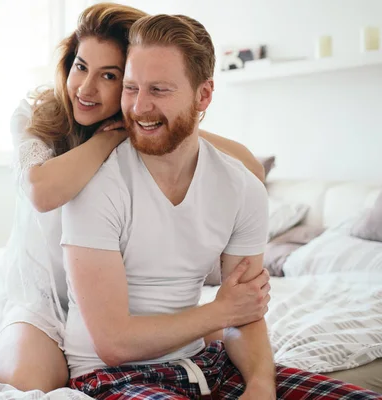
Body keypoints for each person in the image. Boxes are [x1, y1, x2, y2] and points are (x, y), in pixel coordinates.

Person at [61, 13, 382, 399]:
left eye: (159, 90)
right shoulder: (98, 186)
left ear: (204, 95)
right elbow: (114, 343)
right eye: (131, 88)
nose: (139, 107)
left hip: (207, 365)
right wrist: (220, 311)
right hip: (114, 376)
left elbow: (245, 313)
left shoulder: (241, 188)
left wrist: (261, 384)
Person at [0, 3, 269, 393]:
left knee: (213, 345)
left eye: (110, 76)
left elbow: (250, 172)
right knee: (32, 383)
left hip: (119, 300)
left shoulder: (144, 129)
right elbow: (41, 191)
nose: (86, 88)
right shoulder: (38, 116)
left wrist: (166, 124)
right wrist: (115, 133)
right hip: (45, 299)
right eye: (80, 66)